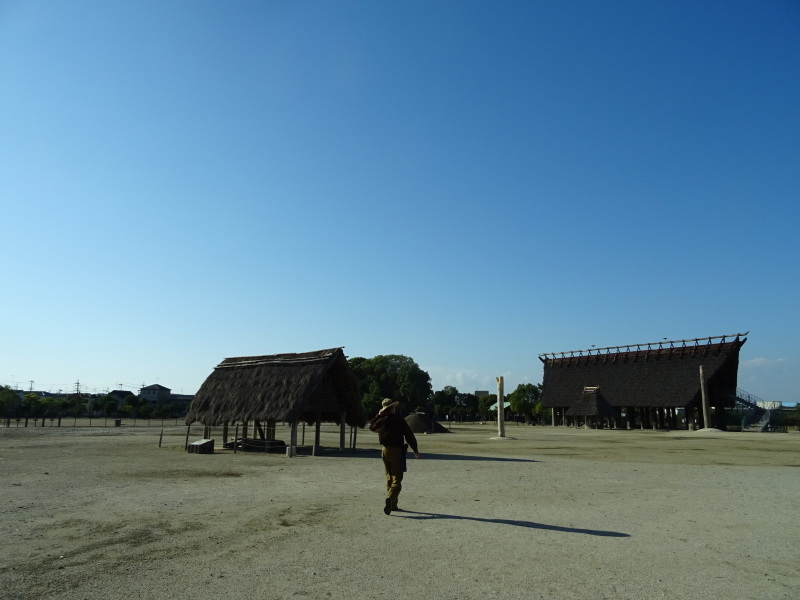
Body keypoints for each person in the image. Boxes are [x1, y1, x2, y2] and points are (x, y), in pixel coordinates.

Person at [369, 398, 420, 515]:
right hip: (397, 451)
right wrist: (415, 450)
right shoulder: (399, 420)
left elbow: (371, 427)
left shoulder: (381, 420)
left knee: (389, 477)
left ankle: (393, 505)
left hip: (385, 450)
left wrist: (378, 415)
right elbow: (409, 435)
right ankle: (391, 499)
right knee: (397, 478)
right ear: (392, 408)